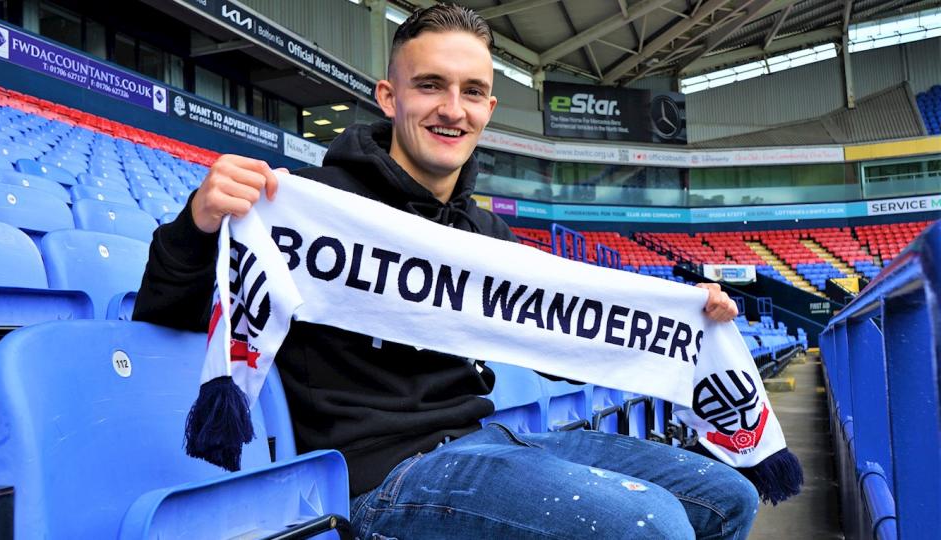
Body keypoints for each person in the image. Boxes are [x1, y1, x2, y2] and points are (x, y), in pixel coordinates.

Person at [134, 4, 757, 538]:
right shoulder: (304, 204)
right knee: (651, 525)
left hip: (489, 443)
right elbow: (164, 319)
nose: (452, 109)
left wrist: (685, 316)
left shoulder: (485, 236)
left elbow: (573, 338)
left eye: (472, 91)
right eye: (430, 85)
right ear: (390, 96)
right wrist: (198, 223)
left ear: (489, 107)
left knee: (730, 496)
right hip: (378, 476)